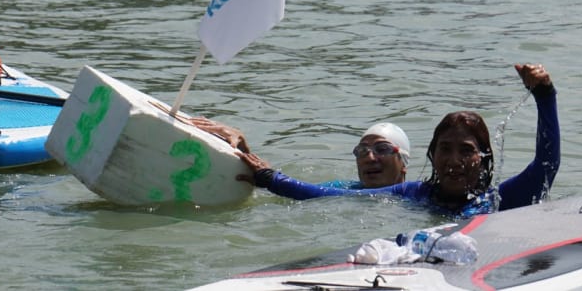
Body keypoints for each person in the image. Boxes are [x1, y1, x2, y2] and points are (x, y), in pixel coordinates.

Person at [204, 63, 559, 218]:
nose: (453, 160)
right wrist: (268, 178)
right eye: (445, 150)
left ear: (483, 158)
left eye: (465, 150)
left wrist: (545, 95)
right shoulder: (414, 196)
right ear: (431, 156)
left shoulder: (502, 200)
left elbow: (547, 164)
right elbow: (333, 197)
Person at [189, 119, 411, 189]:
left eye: (382, 149)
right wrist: (242, 152)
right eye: (362, 151)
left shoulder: (416, 196)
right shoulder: (344, 188)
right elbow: (305, 192)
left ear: (403, 163)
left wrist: (271, 179)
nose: (370, 158)